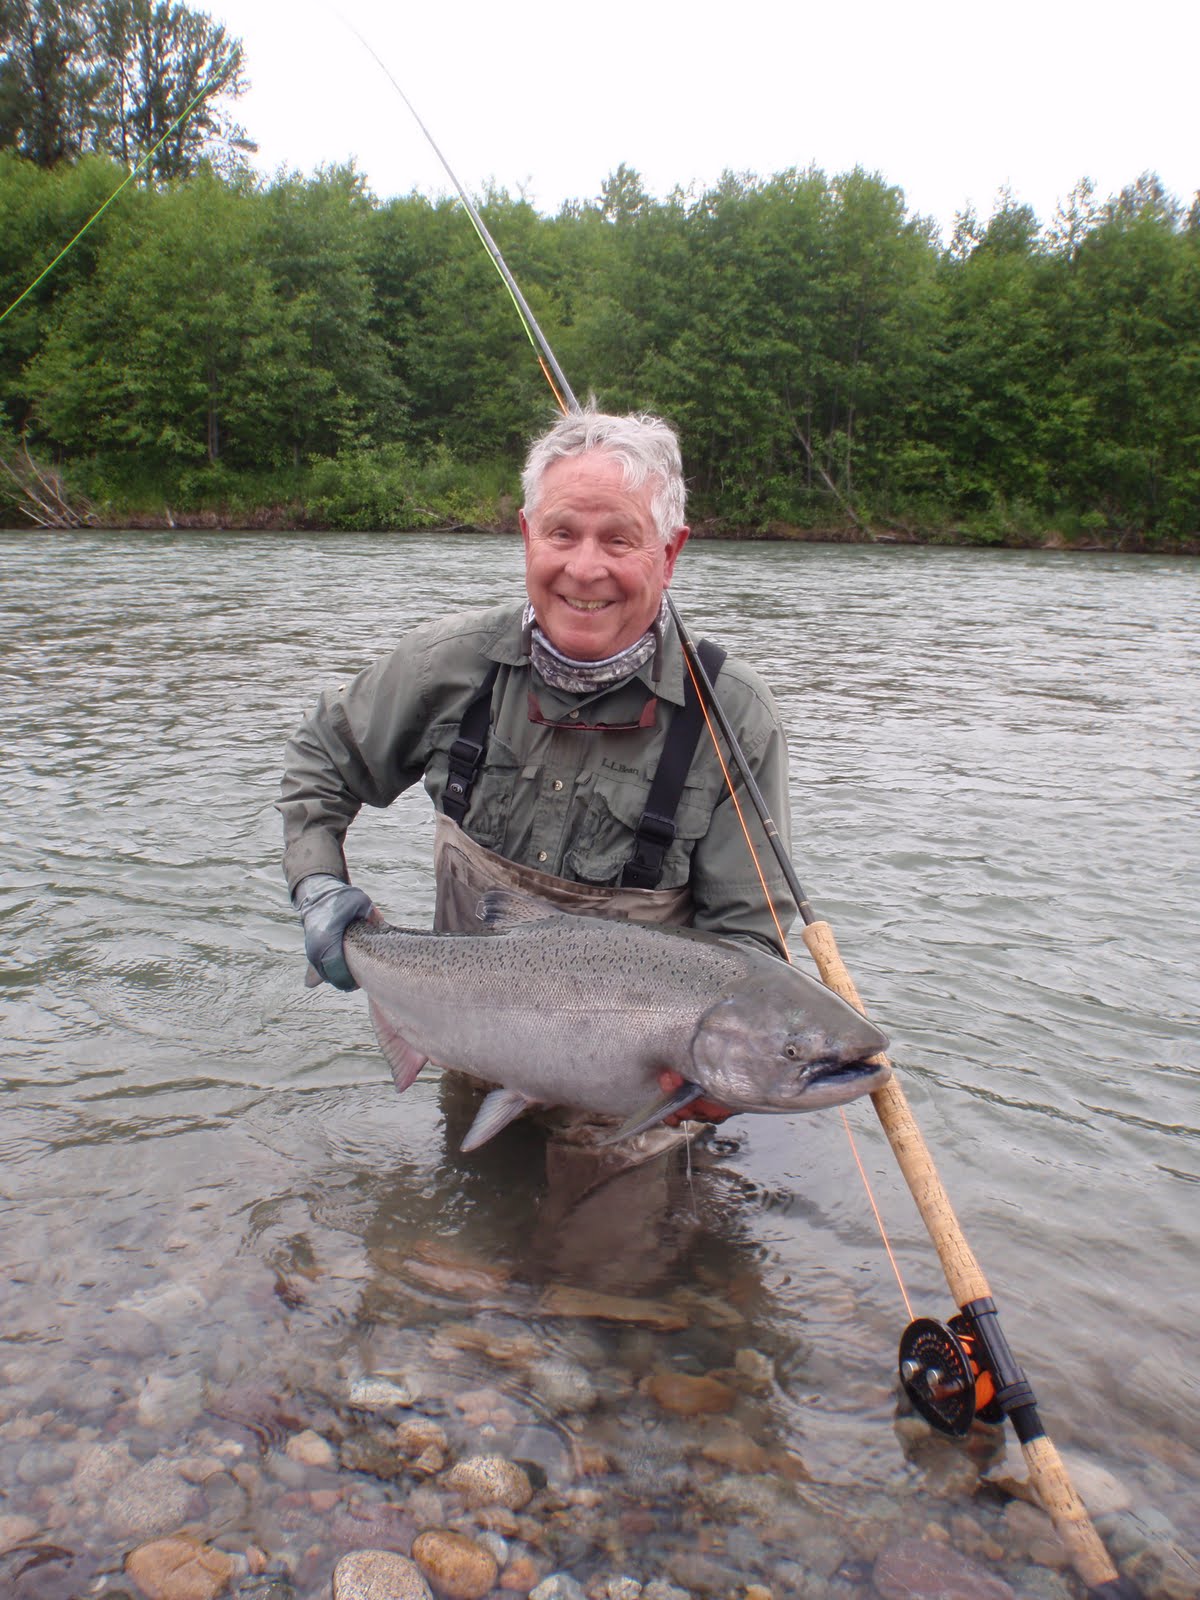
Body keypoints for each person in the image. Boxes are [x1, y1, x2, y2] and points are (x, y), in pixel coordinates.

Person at [279, 406, 795, 1132]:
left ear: (670, 553)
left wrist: (725, 1073)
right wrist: (320, 886)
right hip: (469, 1044)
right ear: (527, 537)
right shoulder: (446, 667)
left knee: (618, 1249)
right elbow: (322, 759)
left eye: (620, 539)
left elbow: (747, 942)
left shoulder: (732, 718)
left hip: (634, 1099)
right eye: (562, 534)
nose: (585, 569)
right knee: (456, 1232)